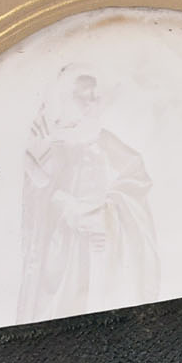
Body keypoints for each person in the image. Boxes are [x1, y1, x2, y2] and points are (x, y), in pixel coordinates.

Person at [17, 66, 160, 322]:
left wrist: (105, 216)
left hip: (100, 244)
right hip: (62, 247)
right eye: (83, 95)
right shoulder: (49, 142)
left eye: (94, 95)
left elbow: (136, 176)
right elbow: (40, 190)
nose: (92, 102)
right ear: (65, 98)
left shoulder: (102, 139)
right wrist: (70, 209)